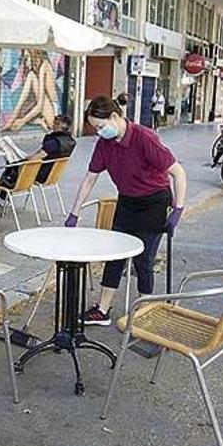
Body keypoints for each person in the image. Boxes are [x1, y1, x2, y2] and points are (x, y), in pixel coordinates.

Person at [63, 96, 187, 326]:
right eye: (95, 128)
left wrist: (178, 210)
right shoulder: (105, 144)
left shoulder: (144, 137)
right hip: (127, 201)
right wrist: (74, 212)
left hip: (154, 202)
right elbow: (90, 179)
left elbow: (178, 172)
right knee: (115, 254)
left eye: (100, 126)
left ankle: (145, 312)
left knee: (144, 258)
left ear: (114, 117)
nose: (99, 132)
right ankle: (102, 310)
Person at [26, 114, 77, 184]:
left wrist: (26, 159)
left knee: (12, 167)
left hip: (40, 175)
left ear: (63, 126)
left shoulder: (53, 142)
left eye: (56, 124)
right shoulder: (70, 141)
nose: (53, 125)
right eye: (54, 123)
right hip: (52, 175)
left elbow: (36, 157)